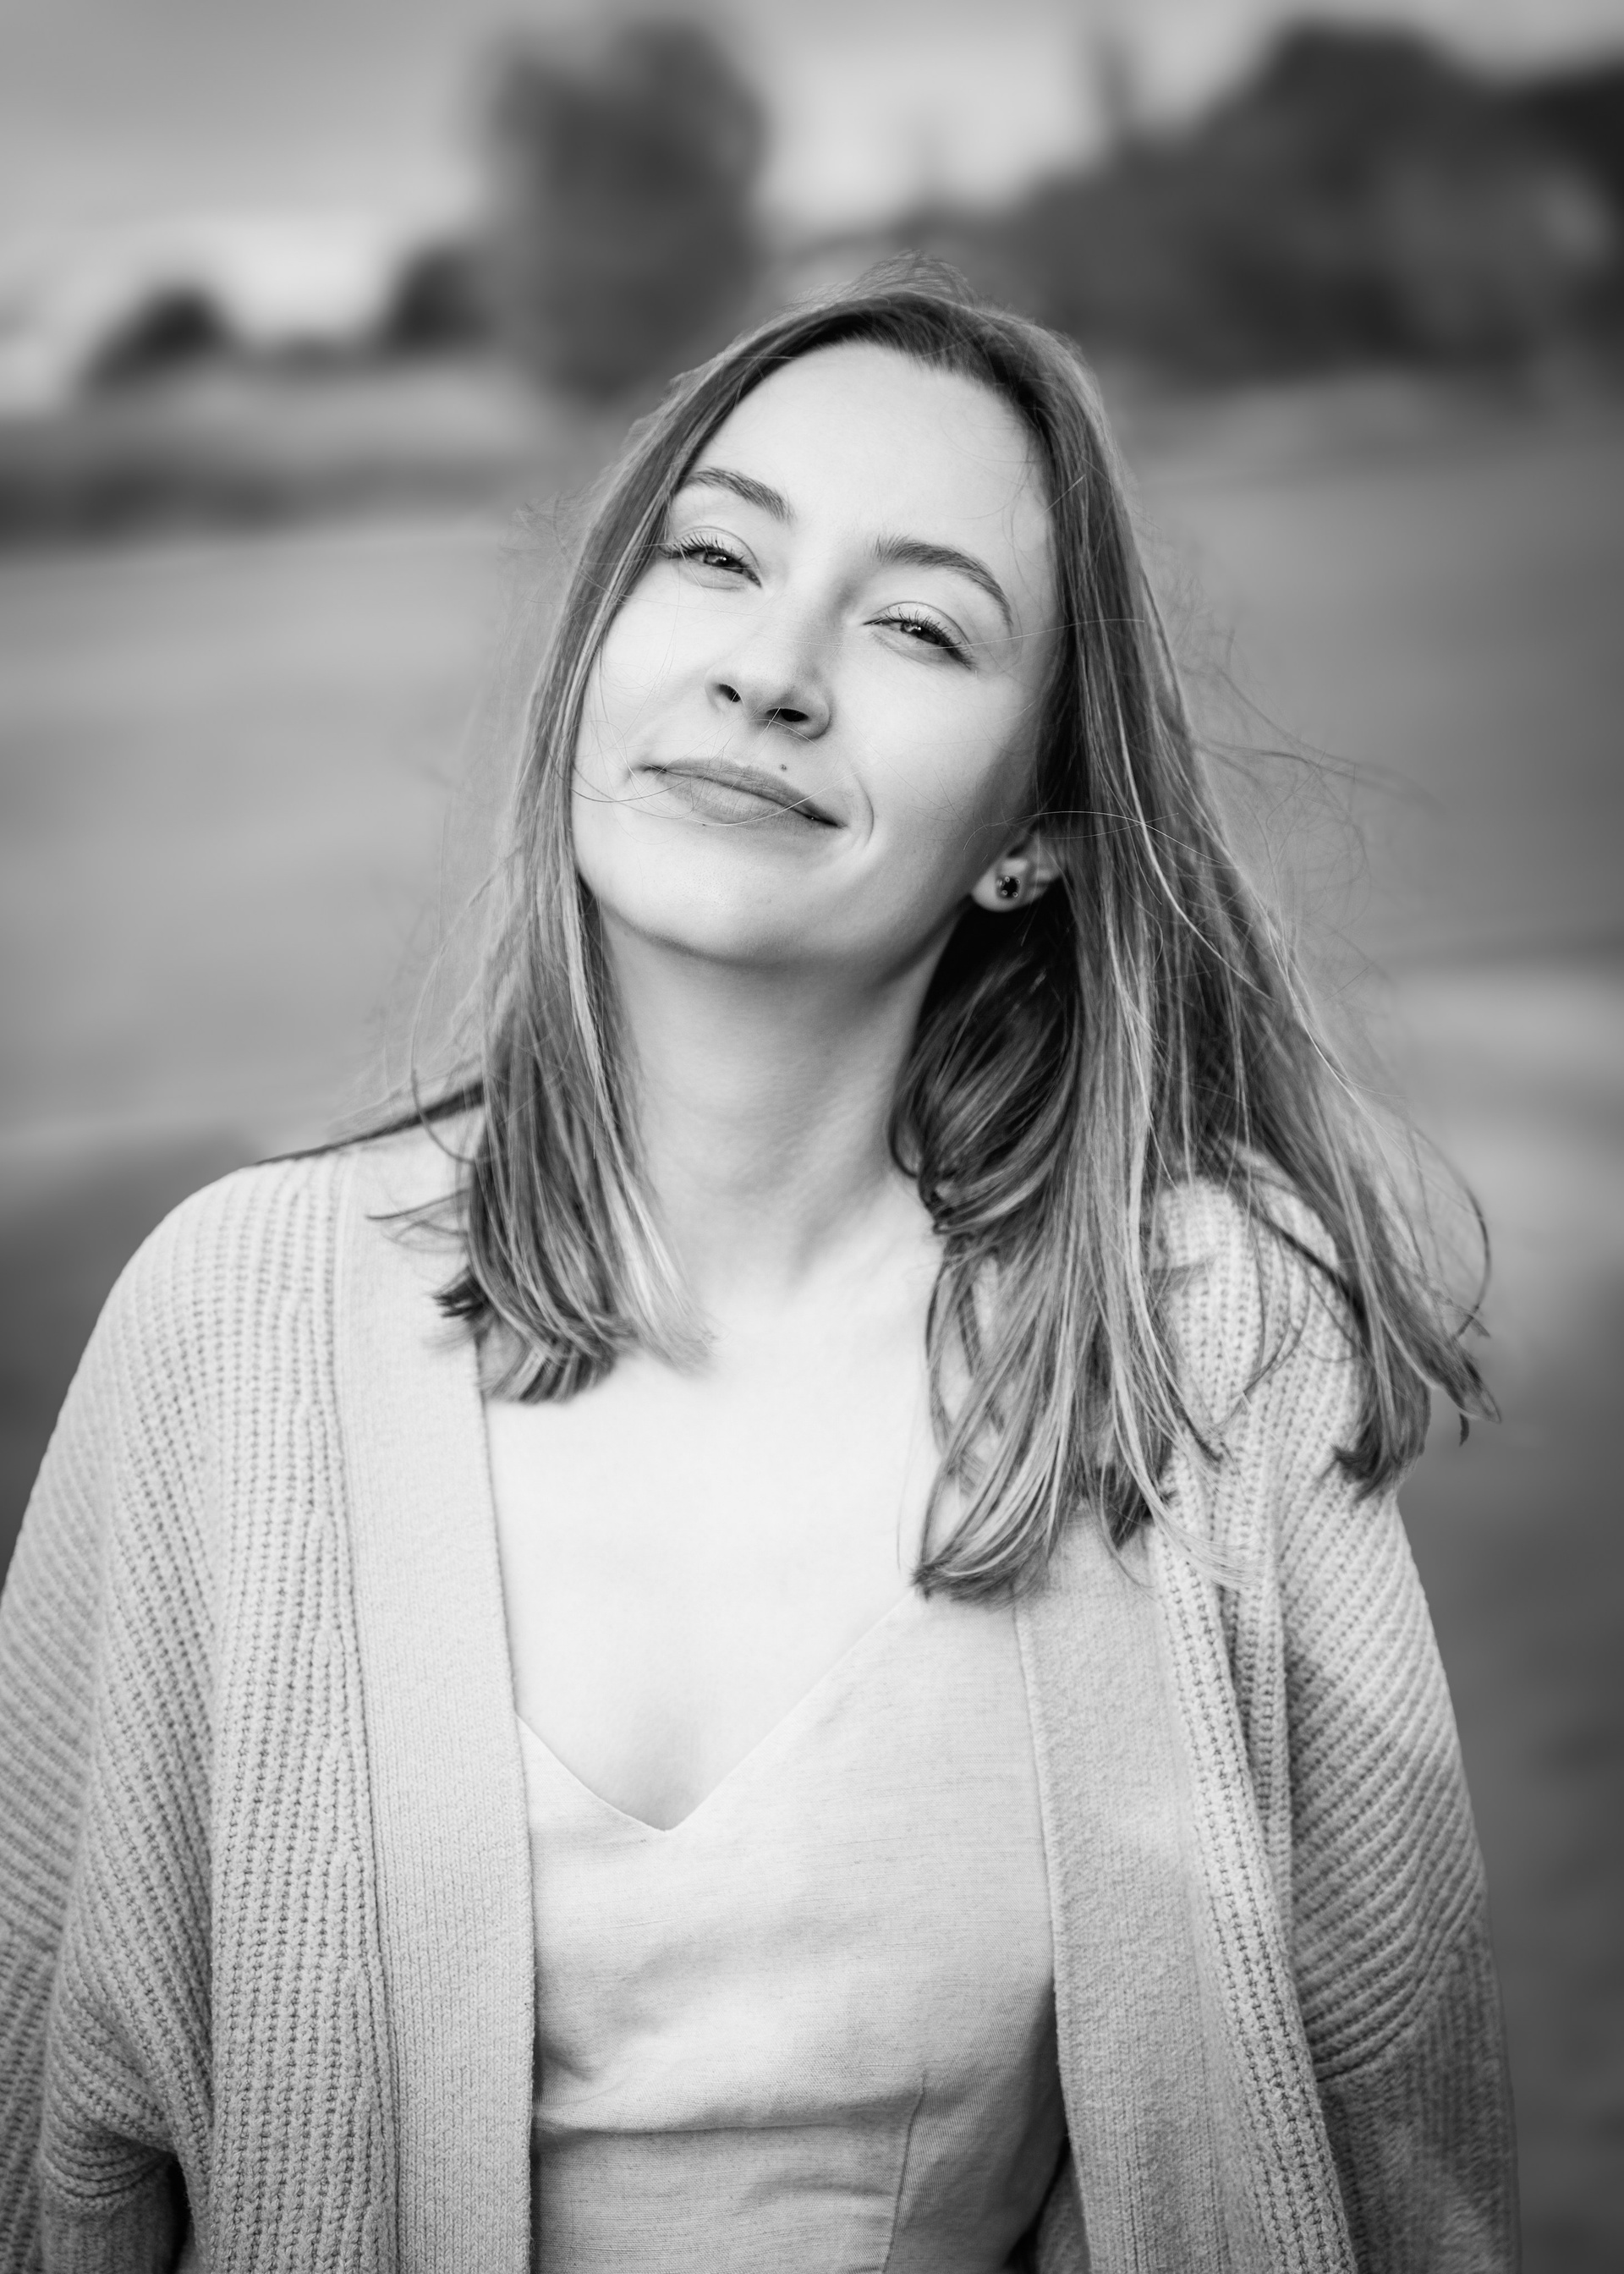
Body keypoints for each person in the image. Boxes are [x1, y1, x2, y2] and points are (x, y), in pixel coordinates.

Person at [0, 267, 1516, 2272]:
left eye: (919, 626)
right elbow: (41, 2146)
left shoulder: (1204, 1340)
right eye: (715, 557)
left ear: (1037, 833)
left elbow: (1407, 2159)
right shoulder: (234, 1323)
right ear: (599, 650)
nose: (771, 674)